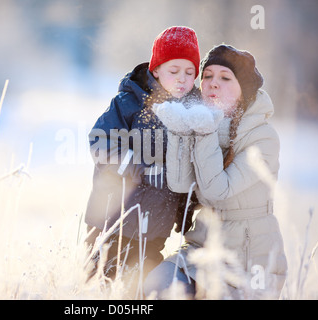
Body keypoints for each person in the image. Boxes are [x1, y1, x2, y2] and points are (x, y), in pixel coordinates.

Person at [144, 44, 288, 299]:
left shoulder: (264, 138)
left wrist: (204, 129)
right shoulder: (204, 120)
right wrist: (180, 131)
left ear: (244, 90)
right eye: (207, 76)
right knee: (156, 286)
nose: (212, 83)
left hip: (247, 256)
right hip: (202, 246)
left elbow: (217, 190)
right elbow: (180, 185)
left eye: (225, 78)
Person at [84, 26, 201, 291]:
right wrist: (133, 167)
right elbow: (101, 141)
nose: (182, 79)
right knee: (100, 284)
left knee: (138, 289)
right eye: (174, 71)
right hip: (112, 221)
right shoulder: (131, 102)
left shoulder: (194, 114)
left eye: (190, 72)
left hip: (154, 231)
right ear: (156, 69)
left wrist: (187, 209)